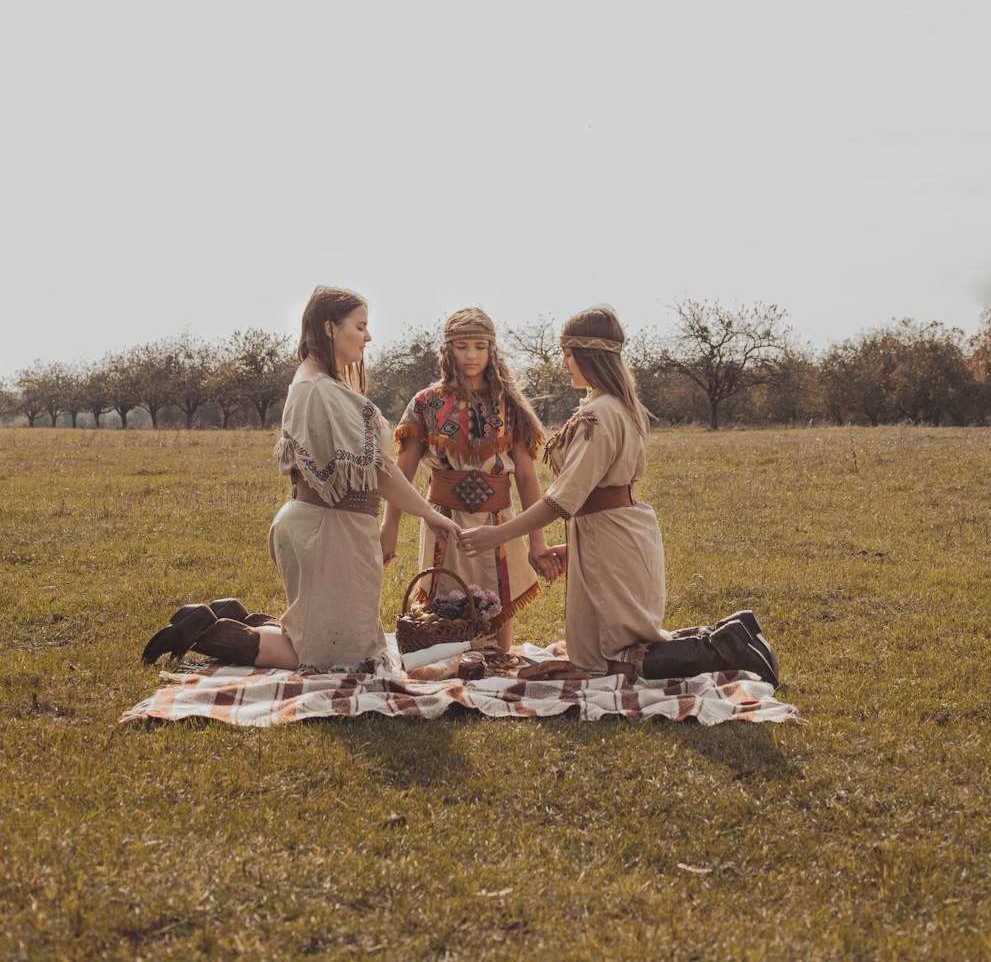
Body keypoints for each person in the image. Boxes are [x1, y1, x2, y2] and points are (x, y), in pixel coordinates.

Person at [141, 287, 461, 672]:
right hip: (329, 529)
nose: (368, 337)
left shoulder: (318, 383)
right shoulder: (318, 388)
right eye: (359, 327)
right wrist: (430, 513)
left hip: (329, 524)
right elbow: (376, 471)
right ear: (329, 328)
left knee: (335, 639)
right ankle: (206, 630)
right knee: (335, 656)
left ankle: (235, 617)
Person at [460, 305, 779, 683]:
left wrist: (496, 535)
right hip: (609, 531)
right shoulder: (611, 406)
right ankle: (733, 636)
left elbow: (562, 500)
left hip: (612, 533)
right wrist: (576, 548)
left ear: (587, 356)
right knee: (604, 652)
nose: (565, 365)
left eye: (567, 355)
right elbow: (592, 496)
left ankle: (730, 649)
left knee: (621, 660)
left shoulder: (603, 412)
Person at [381, 307, 561, 653]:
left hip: (500, 521)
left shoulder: (510, 405)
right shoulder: (426, 403)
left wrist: (537, 543)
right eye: (462, 346)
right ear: (448, 350)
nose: (471, 355)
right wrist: (389, 527)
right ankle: (446, 662)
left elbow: (525, 477)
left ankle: (496, 662)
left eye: (480, 346)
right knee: (444, 602)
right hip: (444, 522)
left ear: (491, 349)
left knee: (498, 606)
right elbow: (402, 472)